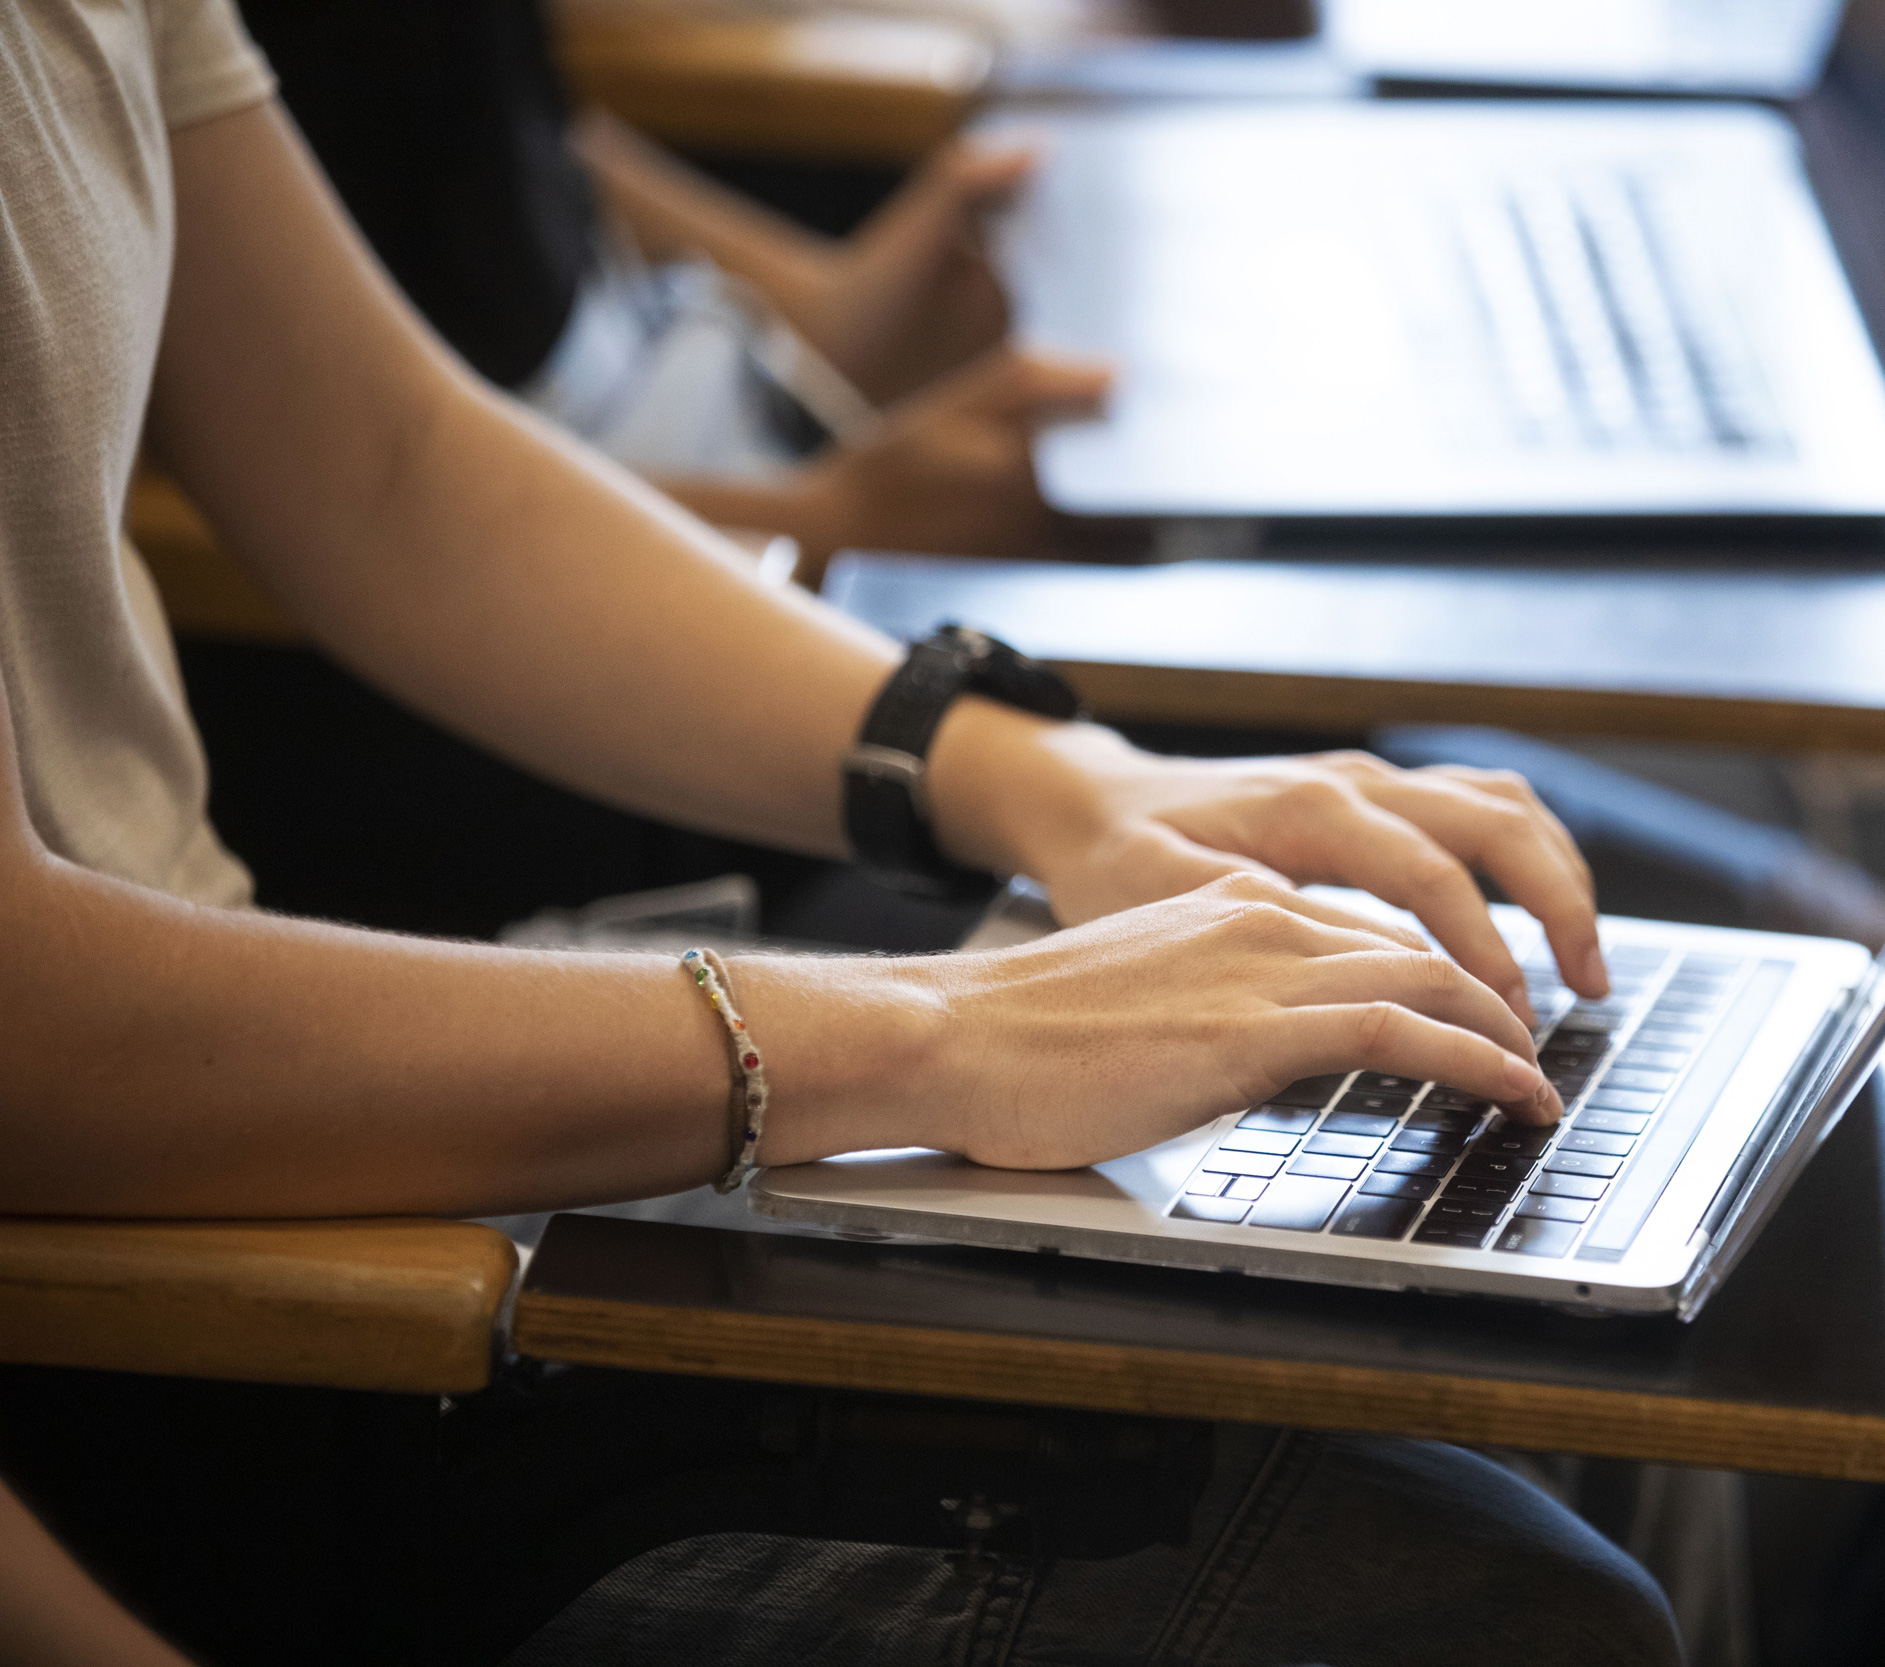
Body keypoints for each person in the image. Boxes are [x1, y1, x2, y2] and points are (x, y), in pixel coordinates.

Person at [0, 0, 1682, 1660]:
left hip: (325, 1214)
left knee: (1562, 1265)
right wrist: (942, 1031)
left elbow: (380, 455)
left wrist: (1055, 780)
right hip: (204, 1361)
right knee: (1508, 1602)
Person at [237, 0, 1096, 584]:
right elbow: (357, 482)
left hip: (680, 468)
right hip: (543, 610)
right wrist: (818, 521)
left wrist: (830, 309)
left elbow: (520, 138)